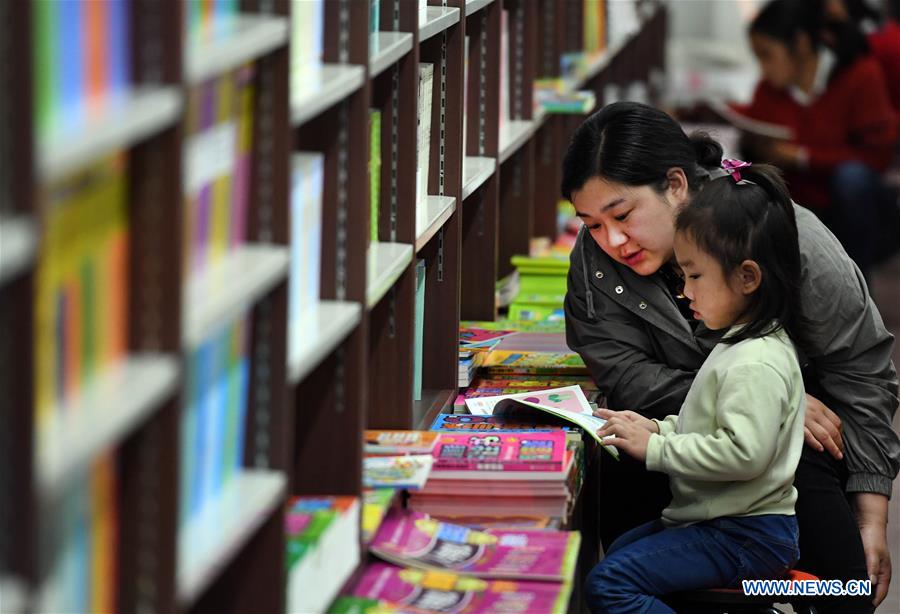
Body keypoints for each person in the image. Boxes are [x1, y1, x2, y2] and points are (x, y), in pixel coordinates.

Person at [563, 101, 899, 612]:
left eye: (622, 214)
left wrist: (871, 516)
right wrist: (759, 395)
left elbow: (861, 368)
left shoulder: (781, 235)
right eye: (590, 223)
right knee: (627, 549)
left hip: (791, 459)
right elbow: (626, 372)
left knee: (843, 589)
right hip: (671, 447)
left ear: (677, 185)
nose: (611, 241)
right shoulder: (596, 265)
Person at [584, 163, 806, 614]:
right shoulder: (742, 342)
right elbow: (709, 424)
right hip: (725, 522)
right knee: (623, 547)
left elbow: (745, 454)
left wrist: (656, 450)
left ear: (747, 277)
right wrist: (657, 429)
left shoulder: (754, 362)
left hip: (745, 534)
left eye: (695, 276)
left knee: (610, 584)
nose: (685, 291)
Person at [738, 0, 897, 278]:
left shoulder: (859, 75)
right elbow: (751, 120)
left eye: (767, 55)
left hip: (859, 210)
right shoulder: (770, 90)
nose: (763, 68)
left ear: (799, 44)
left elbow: (877, 158)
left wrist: (801, 156)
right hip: (801, 207)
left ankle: (857, 281)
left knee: (852, 179)